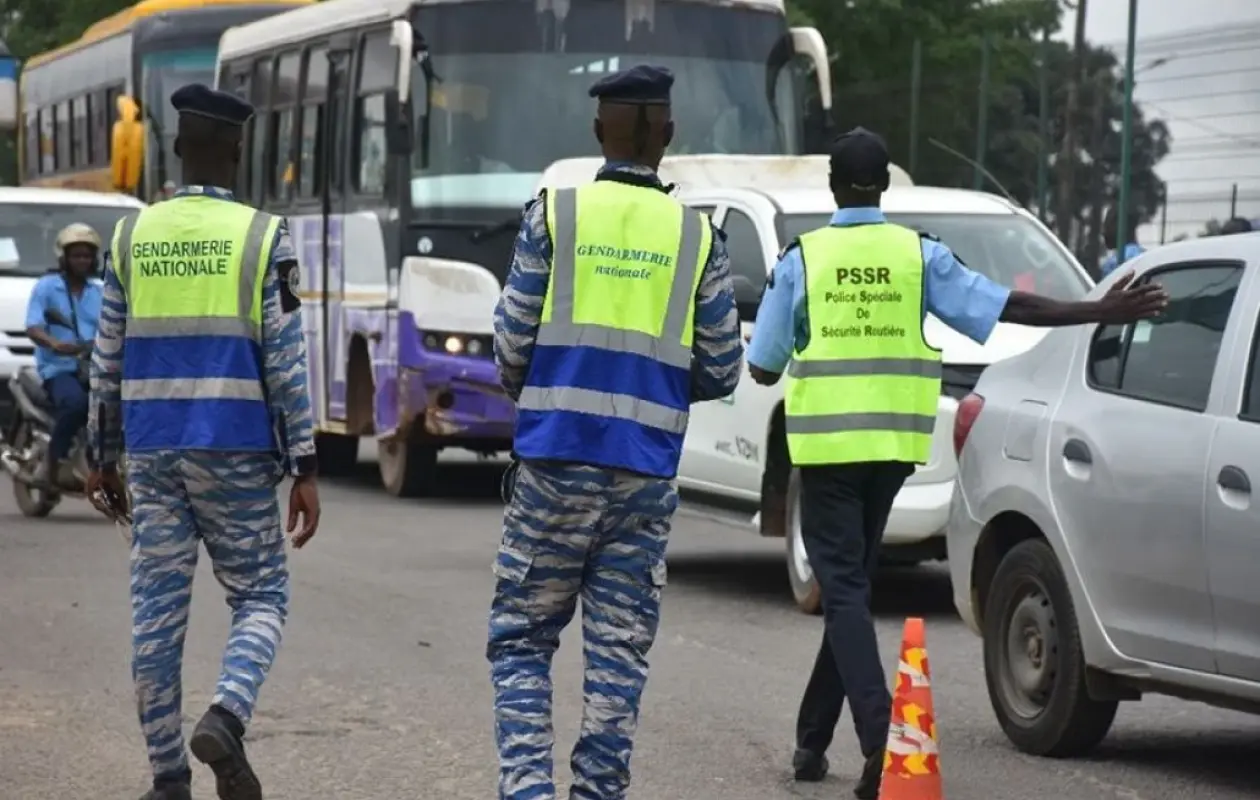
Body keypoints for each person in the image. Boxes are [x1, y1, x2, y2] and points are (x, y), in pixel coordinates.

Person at [745, 127, 1169, 800]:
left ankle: (880, 737)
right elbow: (1013, 305)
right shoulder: (919, 257)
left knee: (845, 593)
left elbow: (763, 365)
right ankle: (810, 741)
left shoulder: (806, 259)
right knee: (850, 585)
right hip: (893, 452)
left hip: (827, 452)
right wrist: (1102, 309)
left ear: (832, 187)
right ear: (885, 187)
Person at [488, 65, 742, 800]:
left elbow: (510, 348)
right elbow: (722, 367)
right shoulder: (699, 237)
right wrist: (653, 384)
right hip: (644, 475)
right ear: (667, 134)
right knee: (618, 658)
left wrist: (543, 394)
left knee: (520, 643)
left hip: (553, 466)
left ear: (599, 132)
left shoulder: (555, 216)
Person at [86, 84, 321, 800]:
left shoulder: (131, 236)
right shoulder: (262, 236)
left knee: (155, 619)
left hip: (153, 452)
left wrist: (99, 453)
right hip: (236, 448)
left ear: (179, 150)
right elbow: (286, 361)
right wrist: (304, 463)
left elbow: (108, 353)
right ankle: (226, 713)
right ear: (239, 152)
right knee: (263, 597)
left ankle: (166, 779)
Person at [23, 223, 104, 491]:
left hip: (94, 366)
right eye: (76, 255)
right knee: (75, 404)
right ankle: (52, 463)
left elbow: (115, 325)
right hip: (59, 368)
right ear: (64, 257)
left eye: (87, 255)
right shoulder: (47, 287)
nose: (82, 260)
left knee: (111, 409)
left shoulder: (100, 291)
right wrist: (54, 343)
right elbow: (33, 326)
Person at [1099, 204, 1144, 277]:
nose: (1103, 232)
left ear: (1121, 225)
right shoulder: (1145, 256)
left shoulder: (1114, 263)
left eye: (1107, 225)